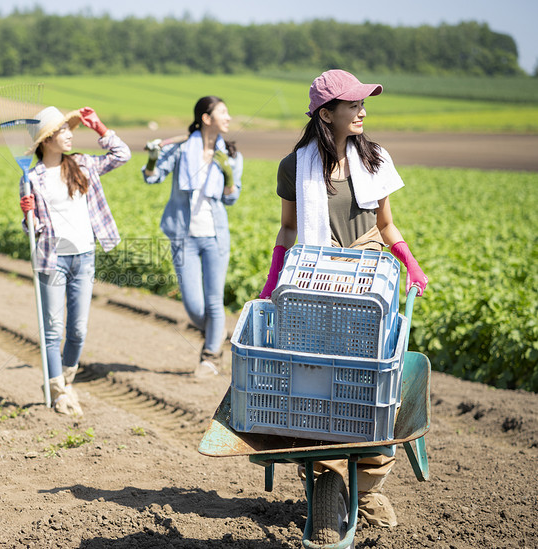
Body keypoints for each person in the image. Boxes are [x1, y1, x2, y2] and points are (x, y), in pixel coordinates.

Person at [259, 69, 429, 528]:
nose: (363, 112)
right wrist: (274, 279)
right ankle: (325, 471)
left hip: (370, 280)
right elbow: (290, 228)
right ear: (327, 113)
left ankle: (367, 485)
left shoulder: (374, 158)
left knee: (373, 383)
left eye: (362, 104)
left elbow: (386, 225)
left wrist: (409, 263)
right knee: (316, 382)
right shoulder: (295, 166)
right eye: (354, 105)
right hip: (316, 280)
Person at [19, 105, 131, 416]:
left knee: (78, 330)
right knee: (53, 329)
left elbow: (122, 156)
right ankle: (57, 392)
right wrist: (26, 214)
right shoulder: (32, 178)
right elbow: (34, 229)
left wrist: (100, 128)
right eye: (62, 131)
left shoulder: (82, 164)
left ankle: (66, 383)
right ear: (46, 140)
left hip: (84, 256)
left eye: (70, 129)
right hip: (52, 259)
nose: (69, 134)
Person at [142, 96, 243, 377]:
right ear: (206, 118)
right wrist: (152, 157)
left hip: (215, 236)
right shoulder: (182, 149)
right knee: (194, 306)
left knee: (213, 301)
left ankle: (210, 357)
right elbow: (152, 177)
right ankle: (215, 331)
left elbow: (232, 198)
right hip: (183, 235)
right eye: (223, 112)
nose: (229, 117)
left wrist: (228, 175)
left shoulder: (232, 156)